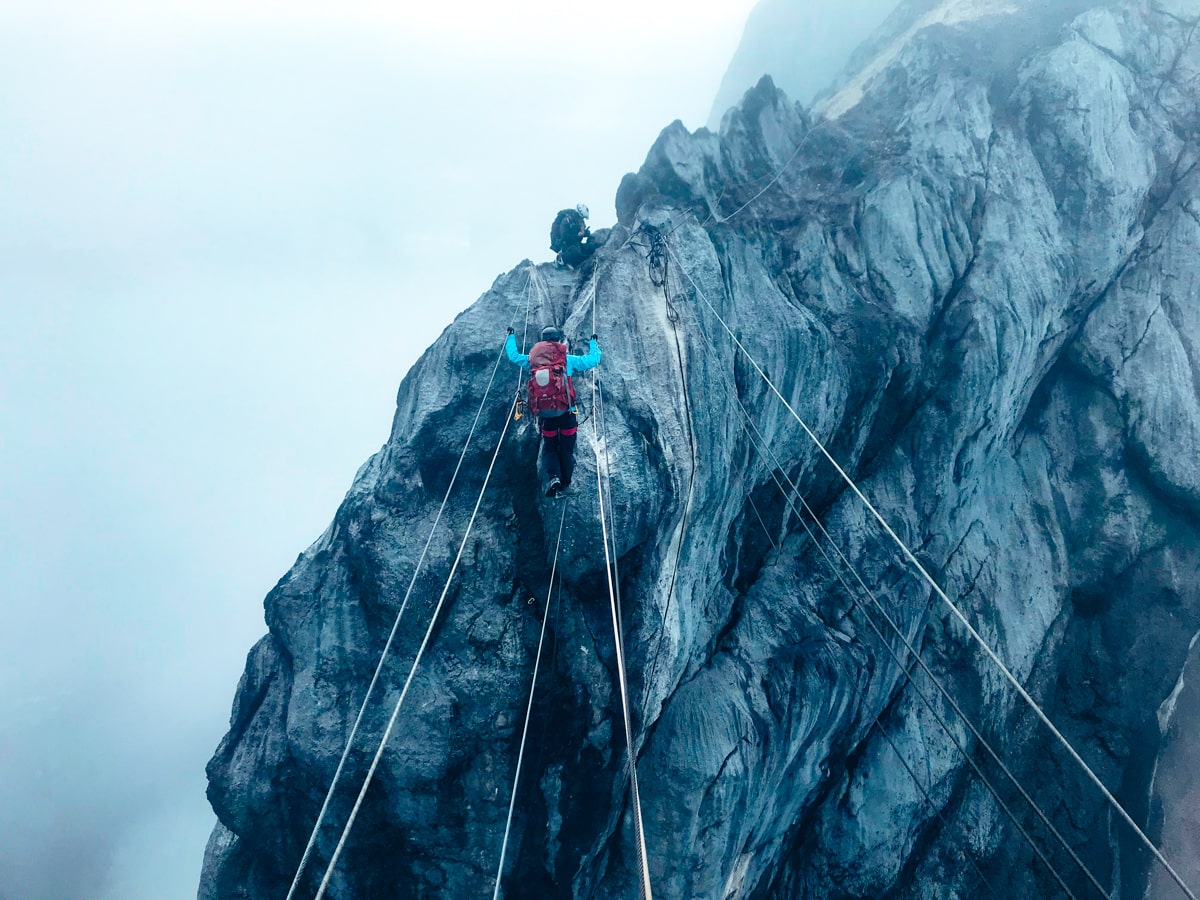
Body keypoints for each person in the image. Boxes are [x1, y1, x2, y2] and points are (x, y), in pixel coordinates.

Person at [505, 325, 602, 496]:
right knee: (566, 449)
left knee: (550, 449)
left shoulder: (532, 361)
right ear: (558, 339)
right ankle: (566, 483)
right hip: (567, 413)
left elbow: (513, 356)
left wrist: (511, 336)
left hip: (545, 415)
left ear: (542, 340)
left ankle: (554, 478)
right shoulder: (567, 359)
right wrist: (594, 343)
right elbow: (593, 360)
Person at [549, 204, 599, 268]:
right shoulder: (566, 221)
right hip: (562, 244)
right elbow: (565, 237)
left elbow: (578, 237)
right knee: (575, 252)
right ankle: (561, 259)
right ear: (577, 214)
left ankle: (572, 261)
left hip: (573, 244)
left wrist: (585, 233)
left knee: (590, 247)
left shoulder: (578, 222)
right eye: (580, 217)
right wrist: (578, 235)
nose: (581, 219)